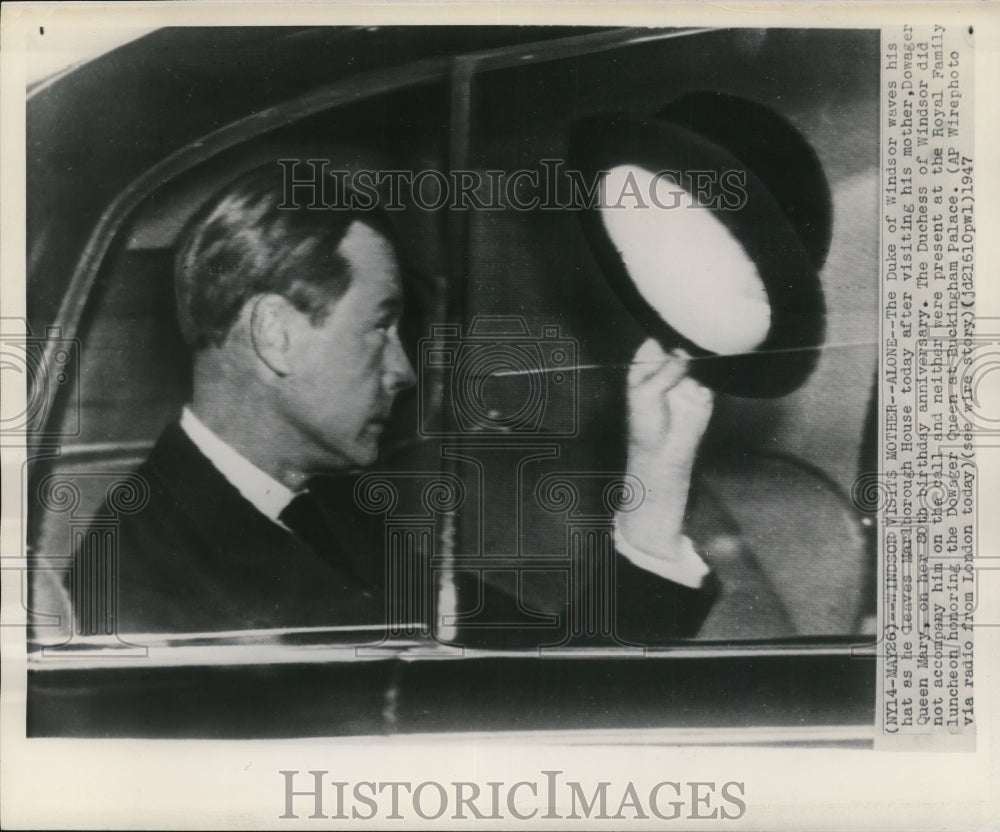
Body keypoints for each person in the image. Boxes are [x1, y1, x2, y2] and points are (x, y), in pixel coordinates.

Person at [69, 163, 719, 642]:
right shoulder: (140, 582)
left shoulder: (337, 516)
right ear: (276, 335)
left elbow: (551, 680)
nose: (404, 370)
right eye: (379, 327)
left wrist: (655, 484)